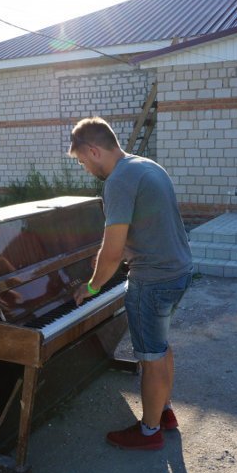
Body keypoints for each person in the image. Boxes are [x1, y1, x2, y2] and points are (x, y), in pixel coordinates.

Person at [69, 116, 192, 451]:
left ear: (94, 150)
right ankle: (164, 411)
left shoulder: (119, 181)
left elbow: (112, 254)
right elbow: (135, 233)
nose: (85, 168)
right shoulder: (146, 166)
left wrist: (92, 287)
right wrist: (107, 257)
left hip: (152, 280)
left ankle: (149, 433)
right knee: (161, 346)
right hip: (178, 271)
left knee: (150, 357)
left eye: (82, 161)